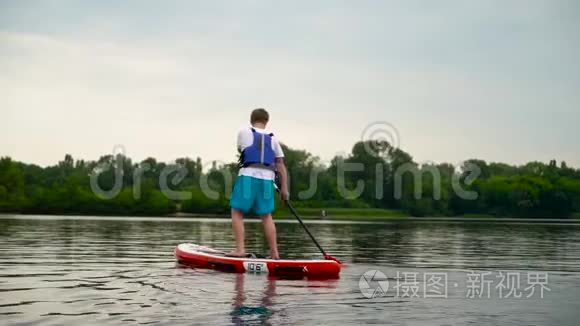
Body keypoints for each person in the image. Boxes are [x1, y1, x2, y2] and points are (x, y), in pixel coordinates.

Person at [228, 108, 289, 259]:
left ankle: (240, 250)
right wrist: (284, 188)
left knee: (237, 212)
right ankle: (274, 253)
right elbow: (280, 164)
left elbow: (240, 150)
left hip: (248, 177)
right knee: (266, 216)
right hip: (267, 180)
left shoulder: (243, 132)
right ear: (266, 121)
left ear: (251, 119)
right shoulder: (273, 138)